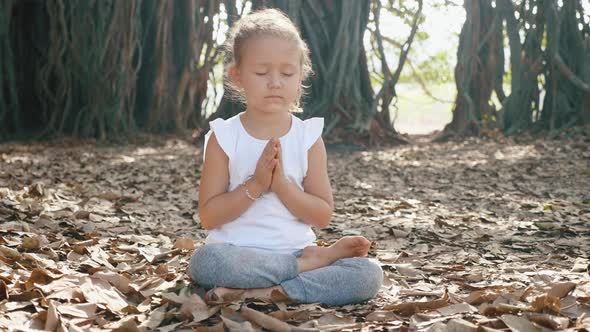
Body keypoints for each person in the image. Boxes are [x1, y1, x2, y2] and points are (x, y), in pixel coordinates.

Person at [189, 8, 382, 306]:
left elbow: (321, 214)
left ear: (301, 75)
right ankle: (302, 273)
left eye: (287, 72)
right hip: (236, 254)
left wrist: (282, 186)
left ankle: (266, 292)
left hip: (294, 251)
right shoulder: (224, 137)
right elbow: (209, 216)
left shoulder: (307, 138)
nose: (275, 82)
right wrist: (256, 183)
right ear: (237, 76)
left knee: (368, 274)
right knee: (205, 262)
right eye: (262, 72)